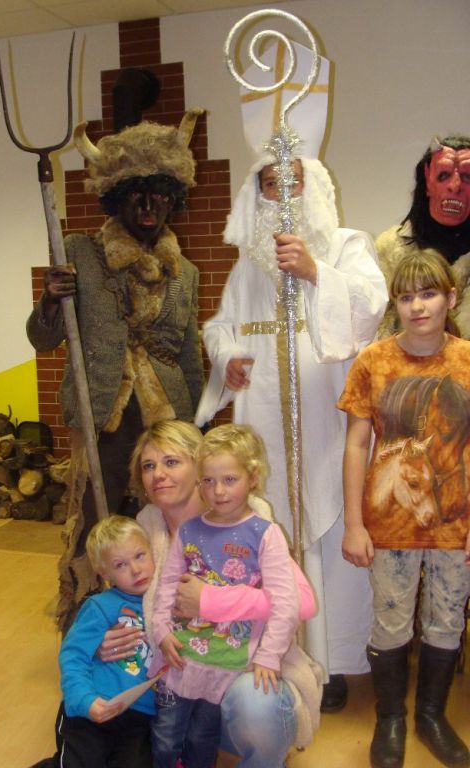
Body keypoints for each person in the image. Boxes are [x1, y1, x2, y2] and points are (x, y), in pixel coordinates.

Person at [195, 151, 388, 712]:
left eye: (293, 183)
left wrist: (314, 272)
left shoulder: (347, 245)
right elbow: (221, 325)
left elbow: (372, 309)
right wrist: (227, 355)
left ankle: (337, 659)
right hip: (264, 424)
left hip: (330, 424)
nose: (281, 194)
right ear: (255, 195)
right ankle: (275, 652)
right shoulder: (248, 266)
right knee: (267, 530)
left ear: (315, 188)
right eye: (269, 184)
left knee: (328, 528)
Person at [26, 112, 205, 630]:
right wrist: (51, 301)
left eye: (160, 196)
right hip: (103, 412)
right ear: (115, 198)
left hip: (166, 417)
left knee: (168, 519)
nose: (148, 207)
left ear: (173, 199)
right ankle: (88, 619)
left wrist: (196, 426)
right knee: (96, 520)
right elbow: (42, 339)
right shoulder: (79, 255)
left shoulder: (186, 273)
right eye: (136, 195)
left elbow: (189, 354)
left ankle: (162, 616)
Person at [101, 419, 322, 768]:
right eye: (148, 466)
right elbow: (123, 596)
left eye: (171, 462)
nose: (158, 474)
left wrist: (209, 601)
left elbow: (303, 602)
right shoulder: (144, 528)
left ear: (199, 464)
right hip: (177, 676)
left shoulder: (252, 523)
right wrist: (106, 636)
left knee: (254, 704)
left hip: (242, 670)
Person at [337, 251, 470, 768]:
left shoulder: (467, 360)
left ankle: (431, 717)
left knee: (447, 622)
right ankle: (390, 717)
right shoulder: (373, 362)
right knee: (390, 624)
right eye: (407, 296)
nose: (417, 306)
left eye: (429, 294)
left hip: (456, 524)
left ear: (451, 298)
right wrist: (354, 523)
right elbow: (356, 445)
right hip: (389, 524)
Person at [148, 424, 300, 768]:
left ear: (253, 477)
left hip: (229, 665)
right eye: (208, 481)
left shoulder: (266, 534)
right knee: (166, 737)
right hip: (180, 661)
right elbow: (167, 585)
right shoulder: (188, 530)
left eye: (229, 480)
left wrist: (269, 657)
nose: (217, 491)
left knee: (202, 740)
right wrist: (160, 629)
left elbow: (287, 602)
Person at [56, 515, 157, 768]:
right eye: (120, 565)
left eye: (140, 556)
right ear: (105, 573)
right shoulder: (100, 606)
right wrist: (84, 700)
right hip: (91, 708)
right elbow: (73, 656)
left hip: (138, 716)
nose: (136, 569)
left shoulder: (165, 605)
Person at [376, 134, 470, 340]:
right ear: (427, 182)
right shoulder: (389, 249)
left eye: (467, 178)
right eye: (443, 175)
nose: (455, 186)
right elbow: (375, 326)